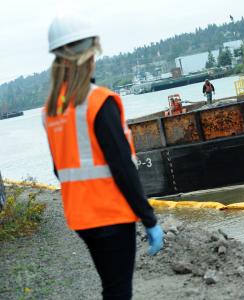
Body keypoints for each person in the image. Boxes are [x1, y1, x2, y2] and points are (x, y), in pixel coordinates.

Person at [43, 14, 164, 300]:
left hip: (81, 218)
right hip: (111, 215)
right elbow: (123, 167)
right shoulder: (100, 101)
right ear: (90, 53)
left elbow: (59, 170)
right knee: (118, 290)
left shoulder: (52, 109)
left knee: (111, 286)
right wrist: (149, 219)